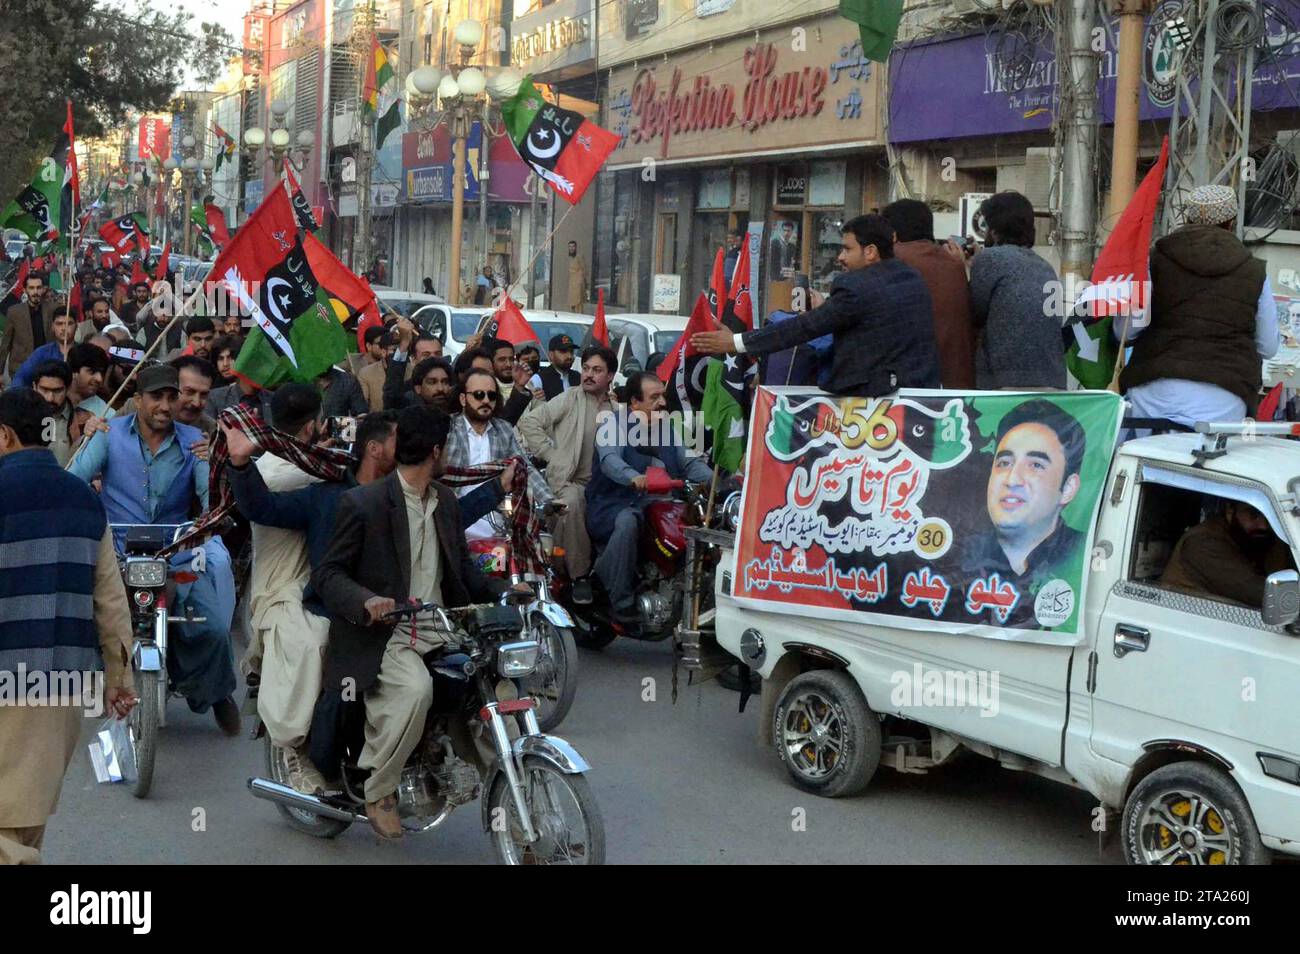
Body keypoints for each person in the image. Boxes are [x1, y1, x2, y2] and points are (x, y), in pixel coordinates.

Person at [310, 405, 520, 838]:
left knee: (495, 690)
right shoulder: (364, 502)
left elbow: (462, 570)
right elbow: (328, 575)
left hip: (441, 626)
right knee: (415, 690)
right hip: (386, 633)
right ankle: (379, 790)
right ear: (436, 451)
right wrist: (367, 601)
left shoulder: (443, 501)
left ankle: (520, 809)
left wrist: (505, 592)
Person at [0, 390, 136, 864]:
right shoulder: (84, 500)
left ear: (4, 435)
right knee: (24, 821)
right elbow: (110, 599)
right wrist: (119, 679)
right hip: (60, 683)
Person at [68, 364, 240, 733]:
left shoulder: (194, 439)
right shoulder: (108, 433)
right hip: (115, 553)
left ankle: (216, 693)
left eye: (169, 397)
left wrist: (212, 476)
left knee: (210, 627)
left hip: (175, 551)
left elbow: (210, 499)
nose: (164, 405)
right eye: (156, 397)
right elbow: (74, 481)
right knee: (88, 623)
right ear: (138, 400)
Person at [693, 214, 942, 396]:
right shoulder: (911, 277)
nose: (841, 258)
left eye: (846, 249)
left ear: (871, 252)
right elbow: (870, 319)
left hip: (872, 406)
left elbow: (804, 328)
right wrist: (828, 308)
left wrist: (737, 342)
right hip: (918, 399)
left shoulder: (855, 286)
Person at [1120, 184, 1278, 426]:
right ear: (1232, 221)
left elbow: (1126, 330)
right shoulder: (1255, 271)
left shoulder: (1154, 259)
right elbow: (1268, 346)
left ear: (1188, 218)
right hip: (1225, 398)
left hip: (1153, 394)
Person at [585, 372, 713, 627]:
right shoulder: (614, 424)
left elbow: (688, 462)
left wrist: (718, 481)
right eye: (654, 397)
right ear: (634, 403)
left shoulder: (667, 427)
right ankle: (620, 600)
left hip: (658, 503)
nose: (663, 402)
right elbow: (610, 460)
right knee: (629, 522)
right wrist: (633, 477)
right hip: (614, 504)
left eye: (663, 396)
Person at [959, 399, 1084, 609]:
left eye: (1036, 465)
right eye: (1004, 463)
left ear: (1069, 488)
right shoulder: (957, 552)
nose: (1012, 479)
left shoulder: (1085, 557)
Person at [518, 345, 617, 597]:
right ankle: (578, 576)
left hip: (605, 486)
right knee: (571, 504)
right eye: (585, 369)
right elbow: (530, 422)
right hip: (570, 481)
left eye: (597, 370)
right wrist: (553, 456)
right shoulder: (570, 398)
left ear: (610, 376)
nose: (588, 375)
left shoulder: (618, 410)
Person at [956, 191, 1064, 390]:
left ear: (995, 230)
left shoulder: (990, 260)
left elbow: (973, 313)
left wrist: (960, 269)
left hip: (1006, 382)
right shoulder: (1044, 266)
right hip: (1052, 379)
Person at [446, 368, 555, 541]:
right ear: (463, 399)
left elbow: (523, 467)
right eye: (479, 395)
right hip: (455, 521)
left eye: (492, 396)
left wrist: (549, 500)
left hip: (498, 523)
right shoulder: (447, 427)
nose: (486, 400)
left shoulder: (503, 429)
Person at [882, 199, 976, 389]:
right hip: (956, 382)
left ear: (892, 234)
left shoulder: (889, 259)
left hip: (907, 383)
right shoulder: (954, 263)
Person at [1161, 501, 1294, 608]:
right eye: (1254, 514)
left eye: (1271, 518)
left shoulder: (1252, 539)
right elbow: (1258, 593)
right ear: (1230, 510)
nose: (1264, 525)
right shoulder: (1204, 542)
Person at [0, 270, 54, 378]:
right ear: (25, 290)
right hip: (20, 368)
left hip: (46, 368)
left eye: (38, 288)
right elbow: (6, 344)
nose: (35, 292)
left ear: (43, 289)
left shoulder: (53, 309)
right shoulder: (14, 312)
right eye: (31, 288)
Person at [11, 305, 77, 389]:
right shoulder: (42, 352)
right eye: (59, 324)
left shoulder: (83, 351)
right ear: (53, 327)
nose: (64, 328)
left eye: (69, 324)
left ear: (76, 326)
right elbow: (20, 377)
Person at [382, 321, 442, 410]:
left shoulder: (450, 383)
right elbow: (391, 399)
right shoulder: (407, 390)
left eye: (437, 354)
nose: (433, 359)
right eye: (426, 355)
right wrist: (404, 343)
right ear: (413, 359)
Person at [171, 354, 218, 441]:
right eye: (189, 392)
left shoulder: (212, 430)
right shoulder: (145, 422)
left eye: (203, 395)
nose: (196, 403)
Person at [357, 328, 396, 412]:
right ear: (383, 352)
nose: (398, 354)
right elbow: (362, 406)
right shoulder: (366, 373)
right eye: (394, 350)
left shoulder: (410, 370)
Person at [539, 333, 580, 399]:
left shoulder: (578, 377)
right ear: (551, 355)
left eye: (571, 351)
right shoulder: (540, 379)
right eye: (563, 351)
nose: (569, 356)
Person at [567, 240, 588, 312]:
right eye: (570, 247)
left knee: (578, 305)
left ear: (576, 247)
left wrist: (581, 284)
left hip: (578, 285)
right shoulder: (571, 258)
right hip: (572, 285)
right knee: (572, 305)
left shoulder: (579, 257)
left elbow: (584, 270)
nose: (571, 248)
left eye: (573, 246)